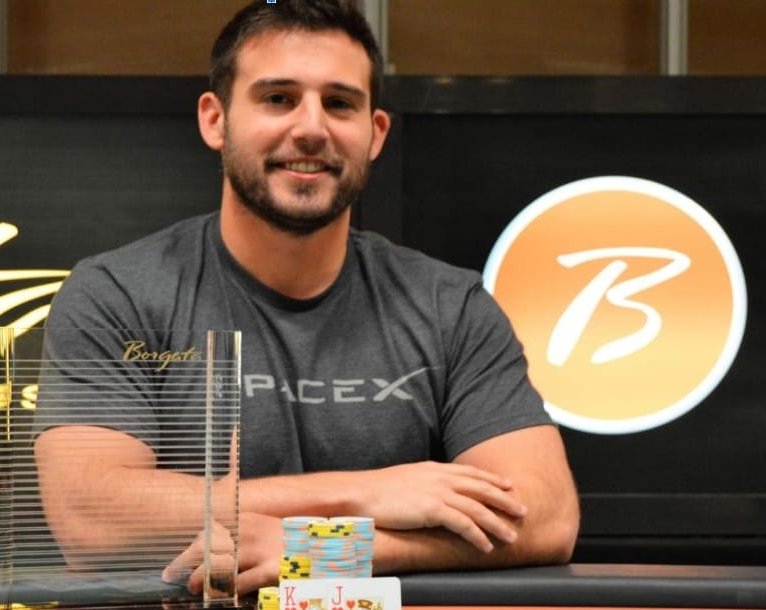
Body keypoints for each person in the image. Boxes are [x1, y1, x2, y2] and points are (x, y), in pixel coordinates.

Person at [33, 0, 579, 595]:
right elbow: (91, 520)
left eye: (339, 103)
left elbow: (544, 516)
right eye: (278, 98)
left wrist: (322, 551)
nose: (312, 127)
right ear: (215, 120)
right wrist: (363, 493)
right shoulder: (119, 294)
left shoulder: (451, 304)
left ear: (374, 134)